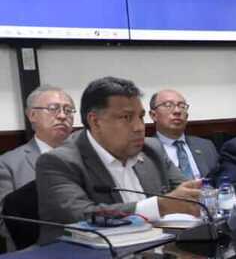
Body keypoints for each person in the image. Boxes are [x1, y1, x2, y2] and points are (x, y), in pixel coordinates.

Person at [35, 76, 202, 230]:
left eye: (141, 117)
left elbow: (188, 193)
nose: (139, 127)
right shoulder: (59, 162)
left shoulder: (152, 149)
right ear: (95, 121)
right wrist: (160, 206)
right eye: (126, 117)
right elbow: (80, 216)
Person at [1, 86, 76, 247]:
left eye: (68, 110)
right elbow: (5, 224)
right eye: (53, 109)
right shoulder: (8, 164)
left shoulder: (86, 158)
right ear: (32, 115)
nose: (63, 116)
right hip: (37, 254)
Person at [148, 89, 218, 180]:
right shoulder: (147, 151)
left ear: (187, 116)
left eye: (182, 106)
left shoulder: (206, 146)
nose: (177, 111)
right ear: (153, 115)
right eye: (168, 105)